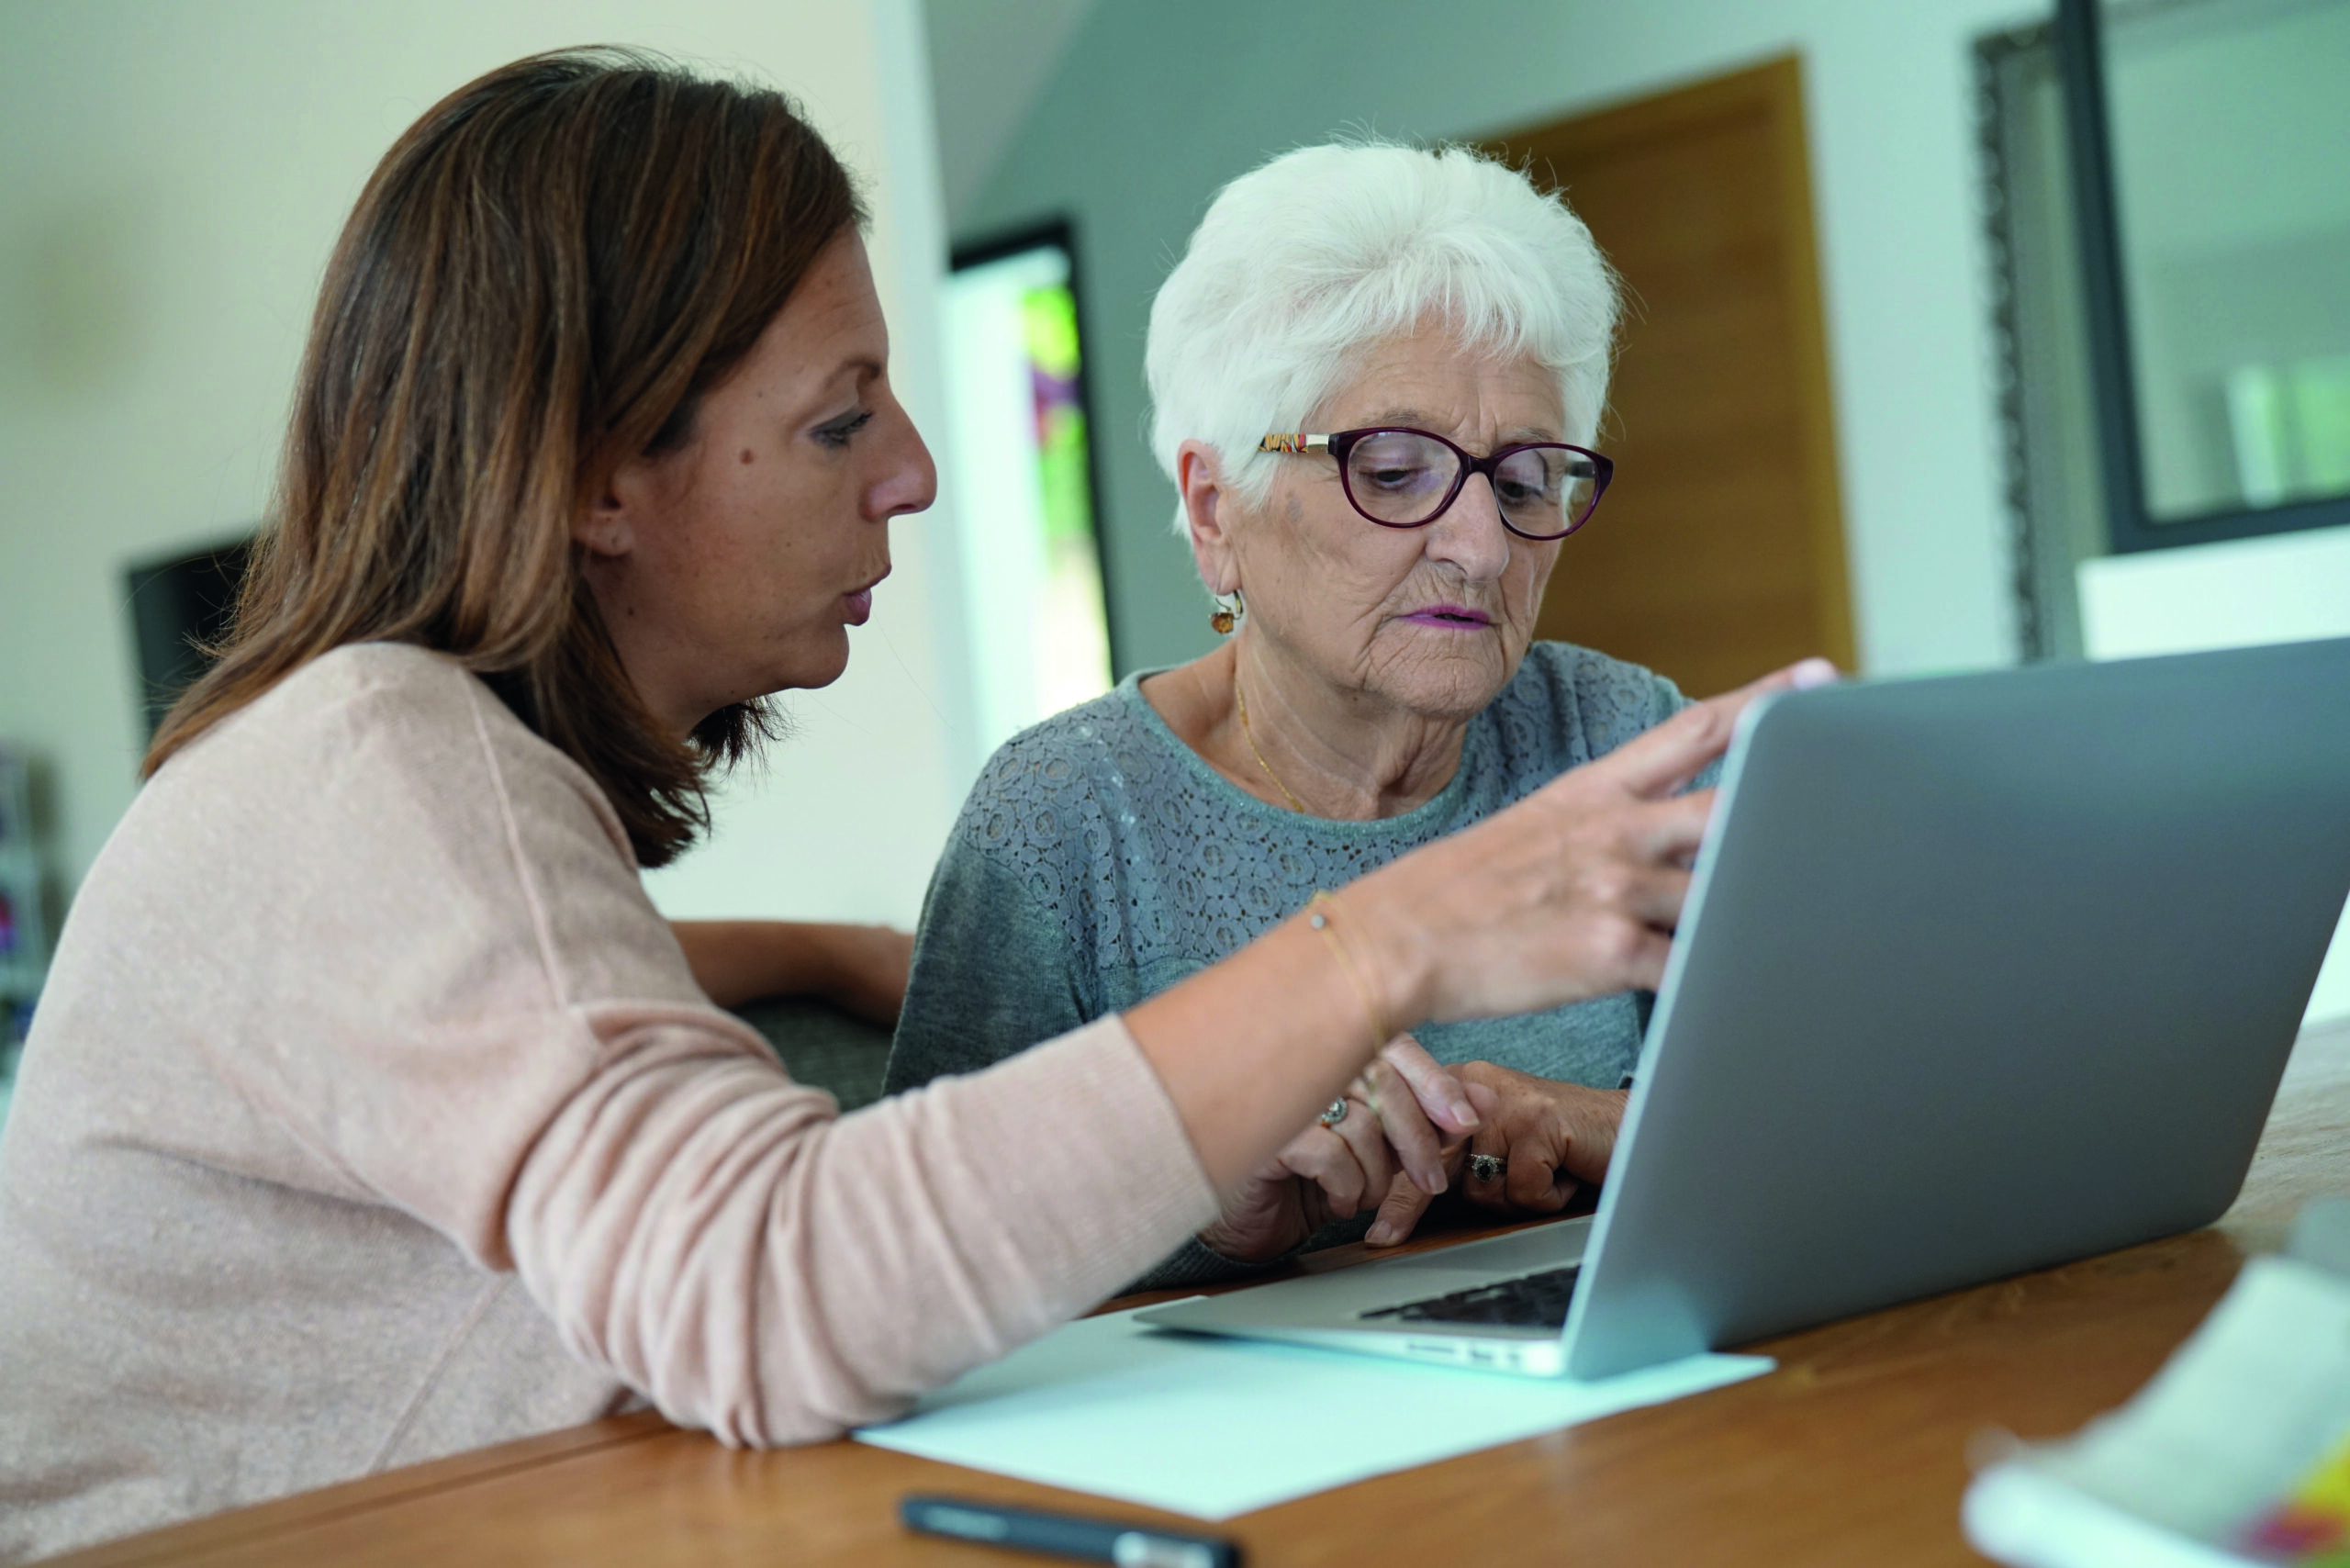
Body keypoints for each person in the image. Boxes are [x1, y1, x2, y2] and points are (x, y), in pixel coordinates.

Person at [0, 52, 1807, 1562]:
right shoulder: (380, 767)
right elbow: (777, 1285)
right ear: (599, 473)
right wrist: (1393, 933)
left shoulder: (386, 773)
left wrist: (806, 955)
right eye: (836, 419)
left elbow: (511, 1036)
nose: (919, 474)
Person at [886, 140, 1834, 1285]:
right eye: (1392, 470)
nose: (1480, 548)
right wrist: (1202, 1214)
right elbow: (916, 1268)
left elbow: (1840, 1115)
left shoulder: (1622, 734)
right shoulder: (1062, 822)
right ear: (1214, 508)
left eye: (1526, 478)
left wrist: (1568, 1122)